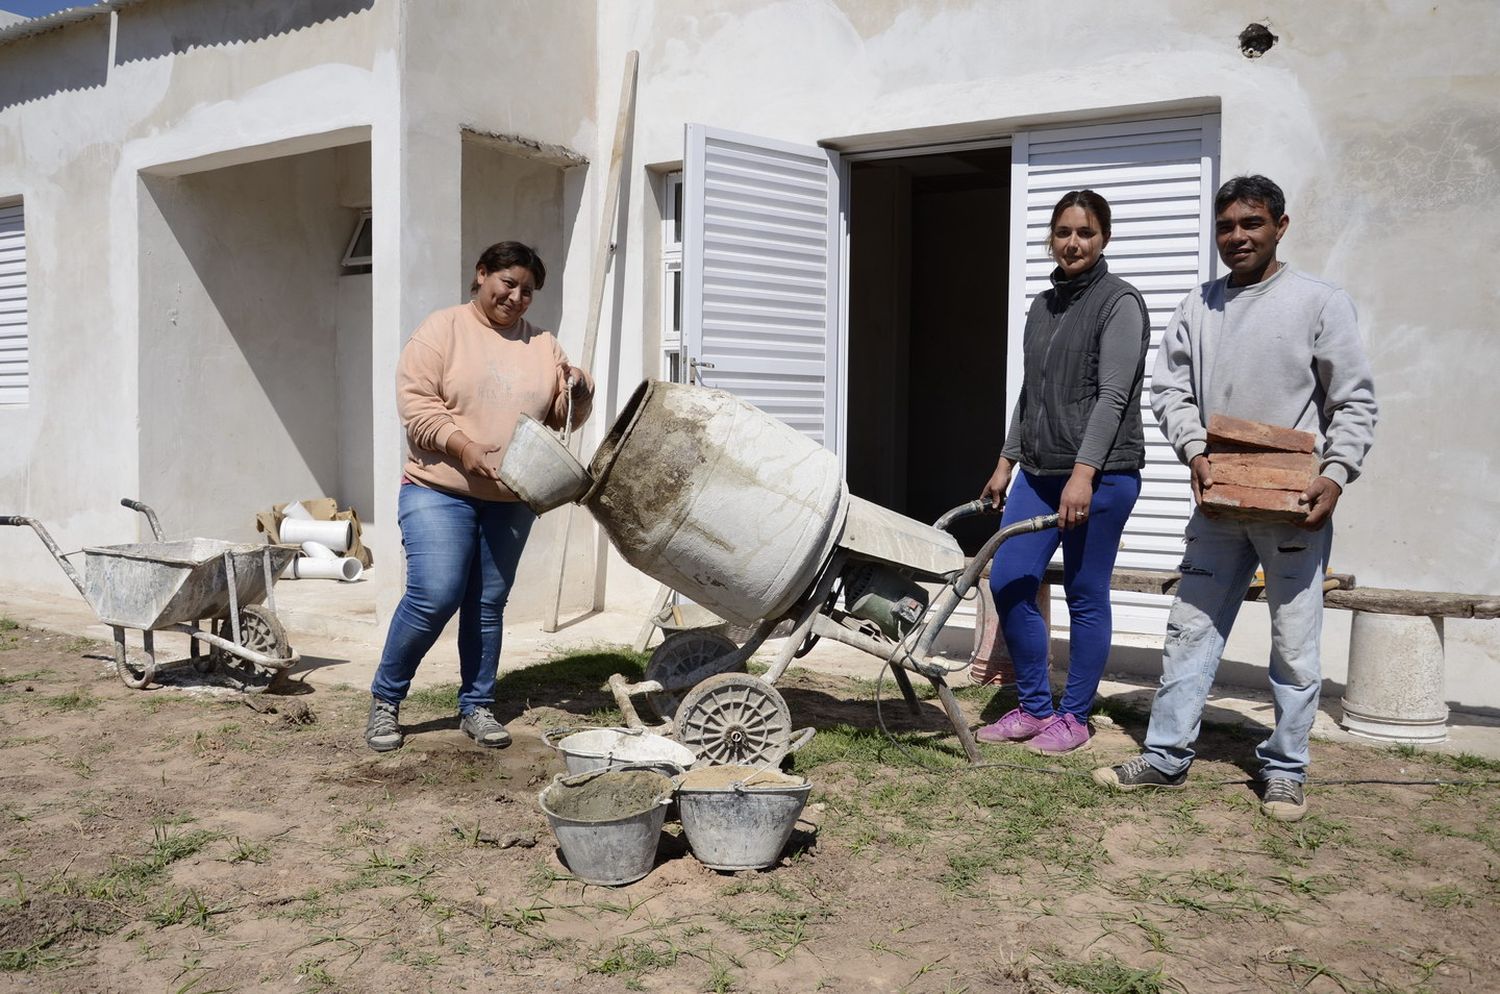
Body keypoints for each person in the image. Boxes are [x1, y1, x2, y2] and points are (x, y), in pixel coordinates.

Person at [1093, 175, 1378, 821]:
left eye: (1251, 223)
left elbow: (1353, 401)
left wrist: (1335, 474)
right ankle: (1165, 757)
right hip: (1218, 506)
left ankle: (1284, 769)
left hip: (1294, 508)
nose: (1237, 237)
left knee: (1294, 643)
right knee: (1190, 631)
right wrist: (1195, 451)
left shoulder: (1320, 303)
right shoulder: (1198, 306)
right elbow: (1168, 391)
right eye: (1226, 226)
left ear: (1280, 226)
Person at [365, 241, 594, 752]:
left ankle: (477, 705)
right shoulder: (442, 330)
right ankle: (385, 699)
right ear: (482, 274)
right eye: (507, 282)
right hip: (437, 489)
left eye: (527, 290)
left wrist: (580, 385)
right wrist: (465, 448)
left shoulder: (542, 345)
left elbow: (563, 417)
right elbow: (417, 408)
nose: (516, 297)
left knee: (488, 603)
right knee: (435, 594)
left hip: (510, 498)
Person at [976, 190, 1150, 755]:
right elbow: (1032, 393)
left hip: (1099, 475)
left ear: (1105, 238)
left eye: (1086, 232)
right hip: (1039, 470)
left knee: (1084, 592)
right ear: (1051, 238)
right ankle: (1033, 707)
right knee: (1009, 580)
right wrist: (1006, 461)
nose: (1073, 243)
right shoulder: (1042, 307)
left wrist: (1084, 473)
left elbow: (1113, 396)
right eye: (1063, 232)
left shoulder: (1118, 302)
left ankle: (1074, 717)